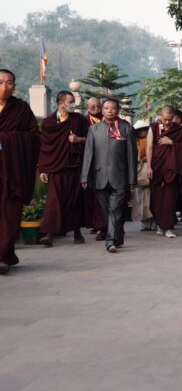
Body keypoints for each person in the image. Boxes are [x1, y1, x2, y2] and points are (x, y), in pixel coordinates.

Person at [81, 98, 137, 253]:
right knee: (108, 212)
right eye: (106, 108)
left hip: (120, 177)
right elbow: (88, 154)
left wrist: (132, 179)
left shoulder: (127, 129)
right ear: (102, 110)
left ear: (118, 110)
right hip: (99, 177)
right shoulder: (94, 129)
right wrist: (84, 176)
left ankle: (110, 241)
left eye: (113, 108)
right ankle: (118, 234)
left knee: (114, 210)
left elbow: (132, 156)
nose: (110, 111)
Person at [0, 69, 40, 274]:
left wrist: (5, 139)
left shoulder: (21, 109)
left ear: (14, 86)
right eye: (0, 82)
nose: (4, 87)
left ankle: (3, 256)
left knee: (9, 215)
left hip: (12, 171)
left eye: (9, 83)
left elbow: (33, 137)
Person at [38, 91, 89, 247]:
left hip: (75, 166)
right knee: (54, 200)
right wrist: (43, 169)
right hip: (56, 167)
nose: (73, 105)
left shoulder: (79, 119)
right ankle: (49, 233)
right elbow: (45, 146)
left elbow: (91, 139)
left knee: (75, 199)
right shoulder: (49, 122)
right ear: (61, 103)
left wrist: (78, 139)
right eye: (70, 101)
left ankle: (77, 232)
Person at [146, 106, 182, 238]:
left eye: (170, 120)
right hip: (157, 167)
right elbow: (149, 147)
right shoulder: (153, 128)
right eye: (165, 119)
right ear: (160, 116)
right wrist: (149, 167)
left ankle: (169, 227)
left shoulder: (180, 130)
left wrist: (171, 142)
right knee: (156, 198)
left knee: (170, 199)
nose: (167, 122)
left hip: (172, 168)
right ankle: (160, 224)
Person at [83, 97, 107, 240]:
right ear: (87, 108)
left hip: (106, 162)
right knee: (92, 198)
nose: (96, 108)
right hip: (89, 163)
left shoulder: (109, 121)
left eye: (98, 106)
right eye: (92, 106)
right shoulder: (83, 121)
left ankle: (103, 227)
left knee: (102, 197)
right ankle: (97, 224)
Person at [131, 119, 154, 231]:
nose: (142, 132)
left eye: (145, 130)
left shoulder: (152, 141)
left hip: (149, 173)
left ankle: (153, 222)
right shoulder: (134, 143)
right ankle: (145, 223)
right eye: (140, 130)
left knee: (151, 200)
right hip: (139, 174)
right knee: (139, 201)